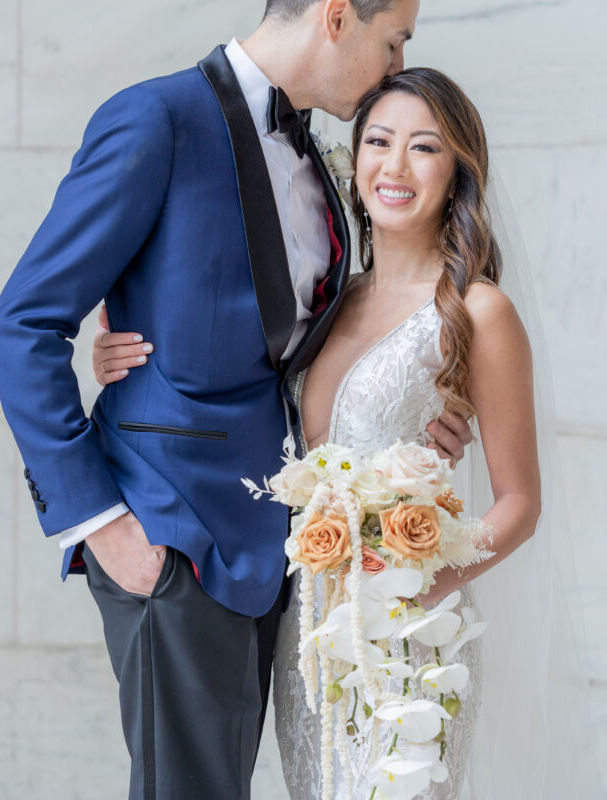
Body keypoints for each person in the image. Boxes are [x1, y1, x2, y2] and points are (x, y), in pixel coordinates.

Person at [0, 0, 473, 800]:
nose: (396, 61)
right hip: (170, 534)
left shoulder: (318, 155)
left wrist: (406, 418)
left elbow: (286, 343)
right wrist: (102, 524)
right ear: (336, 17)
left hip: (277, 549)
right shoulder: (155, 119)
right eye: (393, 36)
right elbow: (21, 322)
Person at [101, 67, 543, 800]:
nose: (394, 166)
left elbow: (517, 505)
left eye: (423, 147)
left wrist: (412, 588)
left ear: (457, 172)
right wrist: (116, 348)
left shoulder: (476, 310)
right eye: (377, 140)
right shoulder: (327, 298)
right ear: (353, 156)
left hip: (407, 635)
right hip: (304, 630)